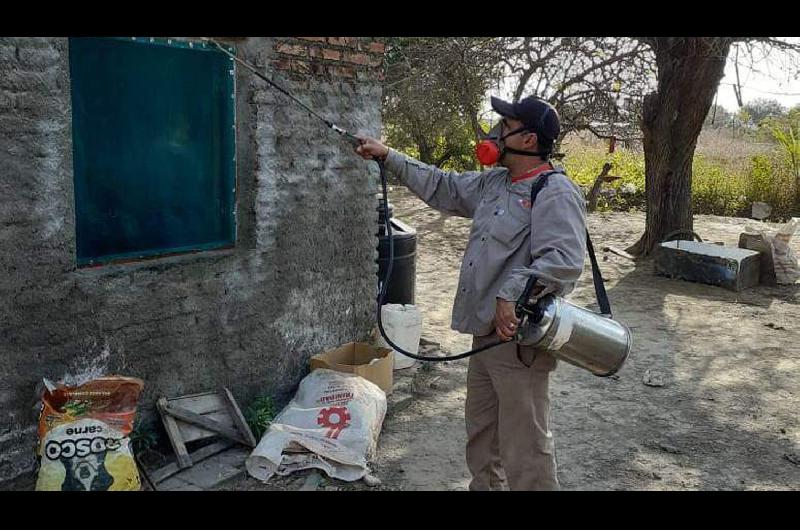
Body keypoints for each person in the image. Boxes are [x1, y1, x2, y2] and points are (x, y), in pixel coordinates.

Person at [355, 95, 587, 491]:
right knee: (482, 435)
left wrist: (511, 293)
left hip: (518, 342)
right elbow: (441, 185)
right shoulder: (495, 182)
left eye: (505, 126)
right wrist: (387, 155)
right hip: (485, 334)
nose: (494, 133)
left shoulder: (554, 191)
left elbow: (563, 261)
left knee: (525, 446)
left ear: (528, 140)